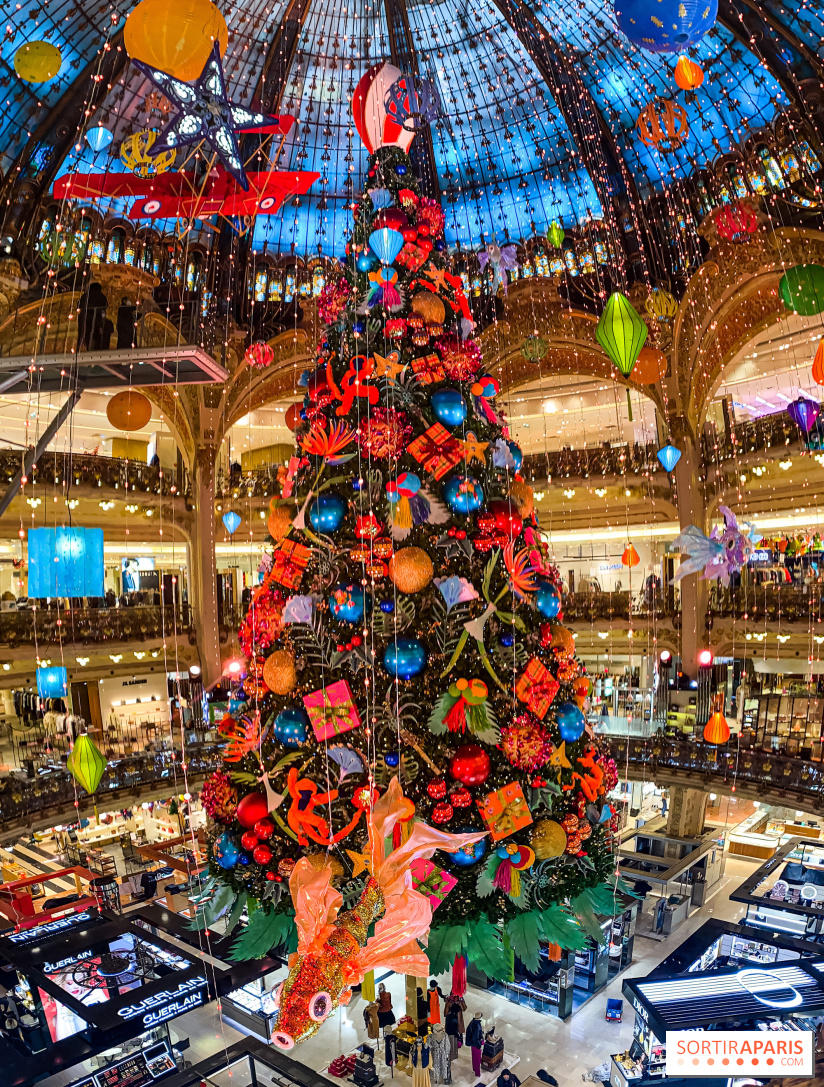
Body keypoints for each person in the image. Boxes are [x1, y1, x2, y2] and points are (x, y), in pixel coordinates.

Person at [76, 281, 108, 351]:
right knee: (95, 334)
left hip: (84, 317)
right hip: (95, 317)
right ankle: (94, 348)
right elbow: (105, 306)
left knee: (84, 333)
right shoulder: (101, 296)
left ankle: (82, 347)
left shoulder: (85, 296)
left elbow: (79, 305)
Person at [466, 1012, 484, 1078]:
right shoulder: (476, 1025)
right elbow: (475, 1038)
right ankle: (477, 1073)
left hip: (473, 1044)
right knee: (477, 1059)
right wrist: (479, 1045)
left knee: (474, 1058)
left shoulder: (473, 1022)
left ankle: (475, 1069)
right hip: (476, 1045)